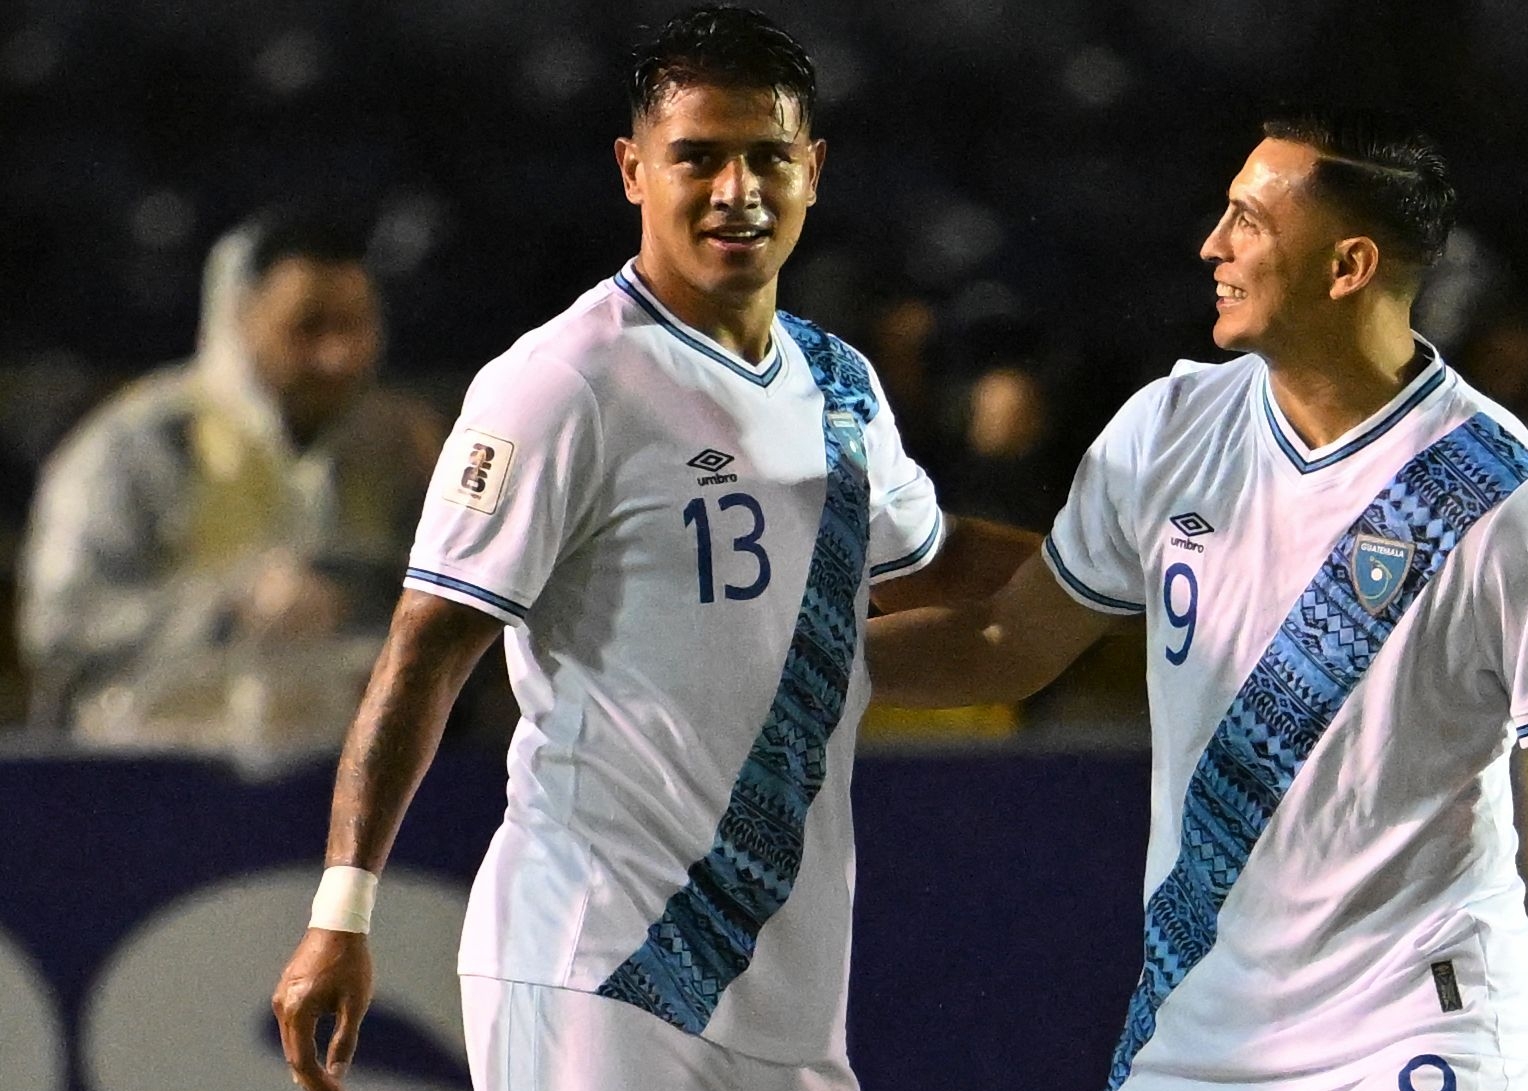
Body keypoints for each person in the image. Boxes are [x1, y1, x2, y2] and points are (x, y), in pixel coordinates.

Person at [270, 9, 1034, 1091]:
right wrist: (340, 909)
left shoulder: (840, 383)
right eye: (698, 157)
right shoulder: (561, 383)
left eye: (767, 155)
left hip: (784, 987)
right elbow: (430, 643)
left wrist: (1130, 563)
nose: (737, 189)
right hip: (596, 958)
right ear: (634, 170)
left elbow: (935, 560)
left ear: (813, 170)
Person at [868, 106, 1528, 1090]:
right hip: (1200, 1026)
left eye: (1249, 220)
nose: (1213, 245)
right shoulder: (1166, 428)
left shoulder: (1506, 500)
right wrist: (798, 662)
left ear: (1347, 267)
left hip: (1415, 1023)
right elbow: (1006, 638)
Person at [17, 210, 442, 752]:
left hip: (355, 777)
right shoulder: (137, 445)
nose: (337, 355)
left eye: (355, 326)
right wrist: (229, 608)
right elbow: (59, 628)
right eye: (307, 327)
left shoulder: (406, 447)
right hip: (156, 778)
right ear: (240, 317)